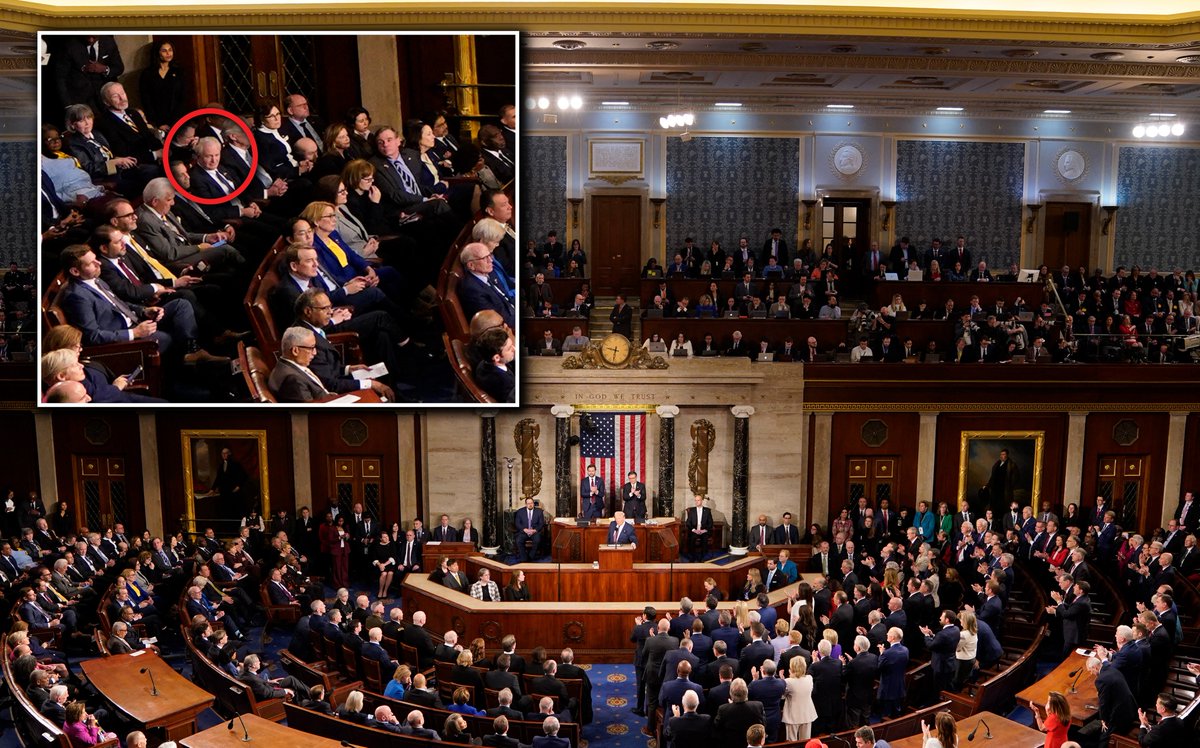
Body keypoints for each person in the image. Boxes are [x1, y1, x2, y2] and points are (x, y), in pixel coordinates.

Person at [514, 497, 545, 562]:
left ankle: (531, 556)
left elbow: (541, 523)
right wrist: (524, 529)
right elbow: (517, 523)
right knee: (519, 540)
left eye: (531, 503)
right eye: (528, 503)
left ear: (533, 503)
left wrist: (535, 530)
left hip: (535, 531)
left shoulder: (539, 511)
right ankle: (524, 558)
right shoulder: (520, 511)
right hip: (524, 531)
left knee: (537, 540)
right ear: (525, 504)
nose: (530, 505)